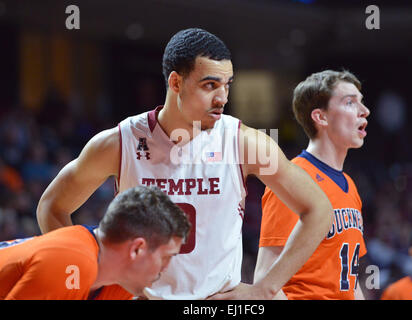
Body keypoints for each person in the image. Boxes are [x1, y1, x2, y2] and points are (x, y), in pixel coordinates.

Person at [36, 28, 333, 300]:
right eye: (210, 85)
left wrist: (266, 289)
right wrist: (95, 279)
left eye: (227, 85)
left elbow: (318, 209)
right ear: (176, 82)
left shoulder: (244, 143)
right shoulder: (121, 142)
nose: (222, 98)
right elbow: (52, 207)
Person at [255, 70, 370, 300]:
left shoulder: (349, 185)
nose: (365, 111)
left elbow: (349, 278)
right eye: (350, 102)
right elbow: (263, 280)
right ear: (321, 117)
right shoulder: (293, 179)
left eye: (362, 102)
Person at [1, 186, 190, 300]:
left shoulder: (118, 283)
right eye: (166, 257)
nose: (165, 269)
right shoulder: (72, 263)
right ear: (137, 249)